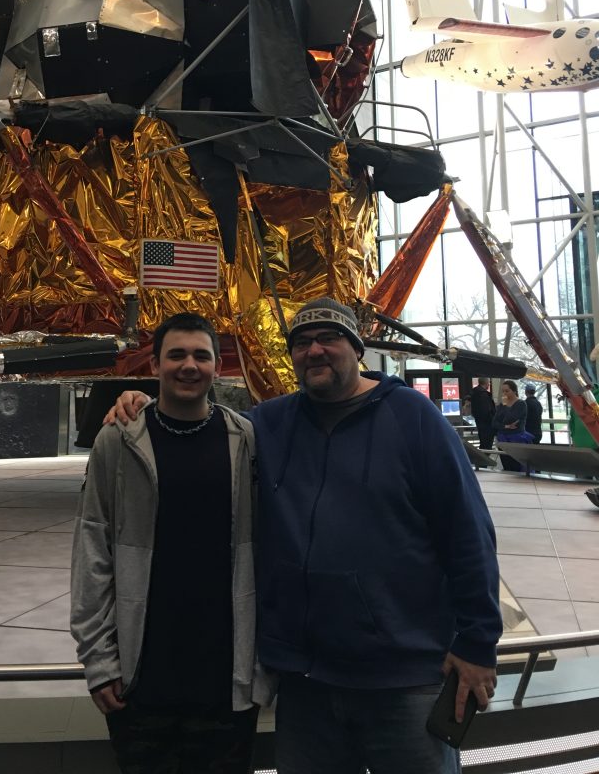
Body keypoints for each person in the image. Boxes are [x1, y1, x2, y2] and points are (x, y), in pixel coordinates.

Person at [108, 297, 502, 774]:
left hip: (402, 678)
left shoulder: (414, 418)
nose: (315, 351)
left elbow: (468, 532)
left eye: (329, 338)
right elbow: (197, 417)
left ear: (356, 349)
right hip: (306, 684)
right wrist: (144, 403)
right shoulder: (270, 424)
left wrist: (478, 642)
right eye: (302, 343)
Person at [71, 312, 272, 774]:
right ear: (156, 364)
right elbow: (92, 549)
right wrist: (99, 662)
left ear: (217, 366)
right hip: (140, 683)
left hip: (226, 682)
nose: (189, 365)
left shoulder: (247, 441)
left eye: (201, 355)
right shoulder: (117, 441)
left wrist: (260, 673)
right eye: (176, 354)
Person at [493, 379, 533, 472]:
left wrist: (504, 410)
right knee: (507, 466)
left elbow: (511, 418)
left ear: (514, 391)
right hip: (503, 438)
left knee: (517, 466)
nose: (504, 393)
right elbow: (494, 423)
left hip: (516, 438)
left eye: (507, 391)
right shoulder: (502, 405)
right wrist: (506, 426)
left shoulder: (521, 404)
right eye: (503, 391)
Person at [470, 377, 496, 450]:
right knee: (487, 446)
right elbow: (486, 411)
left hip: (480, 423)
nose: (489, 384)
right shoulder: (483, 395)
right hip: (487, 426)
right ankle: (484, 461)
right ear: (486, 383)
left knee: (483, 444)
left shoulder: (475, 393)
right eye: (489, 382)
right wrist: (493, 421)